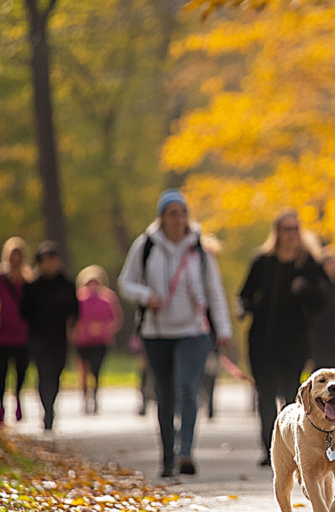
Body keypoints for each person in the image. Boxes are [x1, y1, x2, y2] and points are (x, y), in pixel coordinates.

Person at [119, 189, 232, 477]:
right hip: (156, 333)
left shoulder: (200, 250)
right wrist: (146, 295)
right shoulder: (146, 246)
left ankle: (185, 452)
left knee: (187, 388)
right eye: (173, 213)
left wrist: (223, 328)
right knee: (164, 393)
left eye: (183, 212)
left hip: (193, 331)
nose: (179, 218)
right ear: (162, 217)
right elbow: (125, 283)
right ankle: (167, 457)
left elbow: (214, 292)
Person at [238, 208, 329, 467]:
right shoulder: (262, 261)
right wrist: (244, 308)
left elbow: (324, 301)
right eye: (286, 229)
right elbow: (245, 293)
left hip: (295, 342)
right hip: (262, 341)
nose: (292, 235)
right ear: (277, 233)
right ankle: (269, 450)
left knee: (291, 394)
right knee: (265, 394)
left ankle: (291, 449)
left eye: (295, 229)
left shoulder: (310, 264)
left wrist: (306, 289)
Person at [19, 241, 80, 431]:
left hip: (59, 337)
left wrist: (71, 326)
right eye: (46, 260)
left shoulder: (67, 284)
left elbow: (76, 310)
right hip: (38, 336)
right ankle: (47, 412)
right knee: (44, 373)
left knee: (55, 373)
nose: (50, 264)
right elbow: (24, 311)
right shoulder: (32, 286)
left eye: (53, 260)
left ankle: (51, 404)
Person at [0, 237, 34, 425]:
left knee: (21, 373)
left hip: (22, 335)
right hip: (2, 336)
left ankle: (18, 400)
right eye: (12, 255)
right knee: (2, 374)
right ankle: (1, 406)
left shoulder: (28, 280)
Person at [73, 265, 123, 414]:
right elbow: (73, 319)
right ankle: (84, 395)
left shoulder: (108, 298)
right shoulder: (79, 298)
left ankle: (94, 395)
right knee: (83, 370)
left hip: (101, 341)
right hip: (82, 340)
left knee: (96, 370)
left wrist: (104, 329)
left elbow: (116, 318)